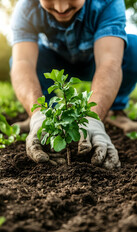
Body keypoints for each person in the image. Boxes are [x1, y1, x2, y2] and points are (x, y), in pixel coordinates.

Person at [10, 0, 137, 169]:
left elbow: (109, 62)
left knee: (133, 48)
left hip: (96, 60)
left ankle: (115, 110)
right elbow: (23, 63)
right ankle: (45, 114)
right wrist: (37, 113)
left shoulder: (109, 2)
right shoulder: (26, 7)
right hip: (55, 62)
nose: (60, 8)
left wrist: (93, 119)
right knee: (20, 59)